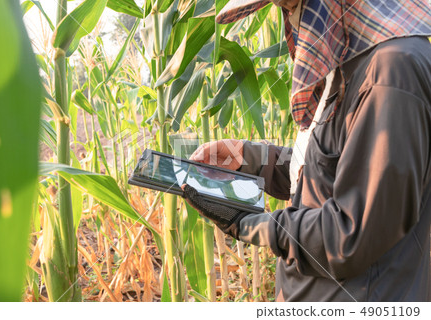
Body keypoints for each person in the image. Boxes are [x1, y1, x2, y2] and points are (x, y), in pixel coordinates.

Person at [181, 0, 431, 301]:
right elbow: (327, 172)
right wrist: (249, 158)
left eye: (293, 6)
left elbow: (351, 236)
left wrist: (246, 222)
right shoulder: (351, 63)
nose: (291, 20)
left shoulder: (390, 73)